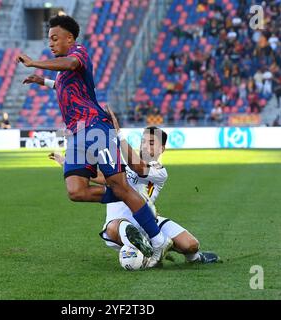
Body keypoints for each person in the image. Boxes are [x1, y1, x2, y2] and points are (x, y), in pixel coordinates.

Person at [16, 15, 172, 266]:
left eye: (55, 39)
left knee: (119, 185)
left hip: (96, 127)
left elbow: (68, 65)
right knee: (76, 191)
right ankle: (132, 198)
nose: (52, 44)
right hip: (76, 132)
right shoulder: (66, 71)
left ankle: (157, 240)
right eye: (49, 40)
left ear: (70, 38)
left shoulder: (79, 53)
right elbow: (63, 85)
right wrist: (41, 81)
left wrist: (35, 63)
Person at [49, 117, 220, 267]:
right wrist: (67, 163)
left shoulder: (159, 172)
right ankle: (151, 246)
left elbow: (137, 167)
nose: (145, 146)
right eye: (143, 141)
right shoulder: (123, 160)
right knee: (117, 227)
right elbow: (101, 177)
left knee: (191, 245)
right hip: (117, 225)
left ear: (162, 149)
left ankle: (194, 258)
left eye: (151, 143)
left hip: (149, 222)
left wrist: (118, 133)